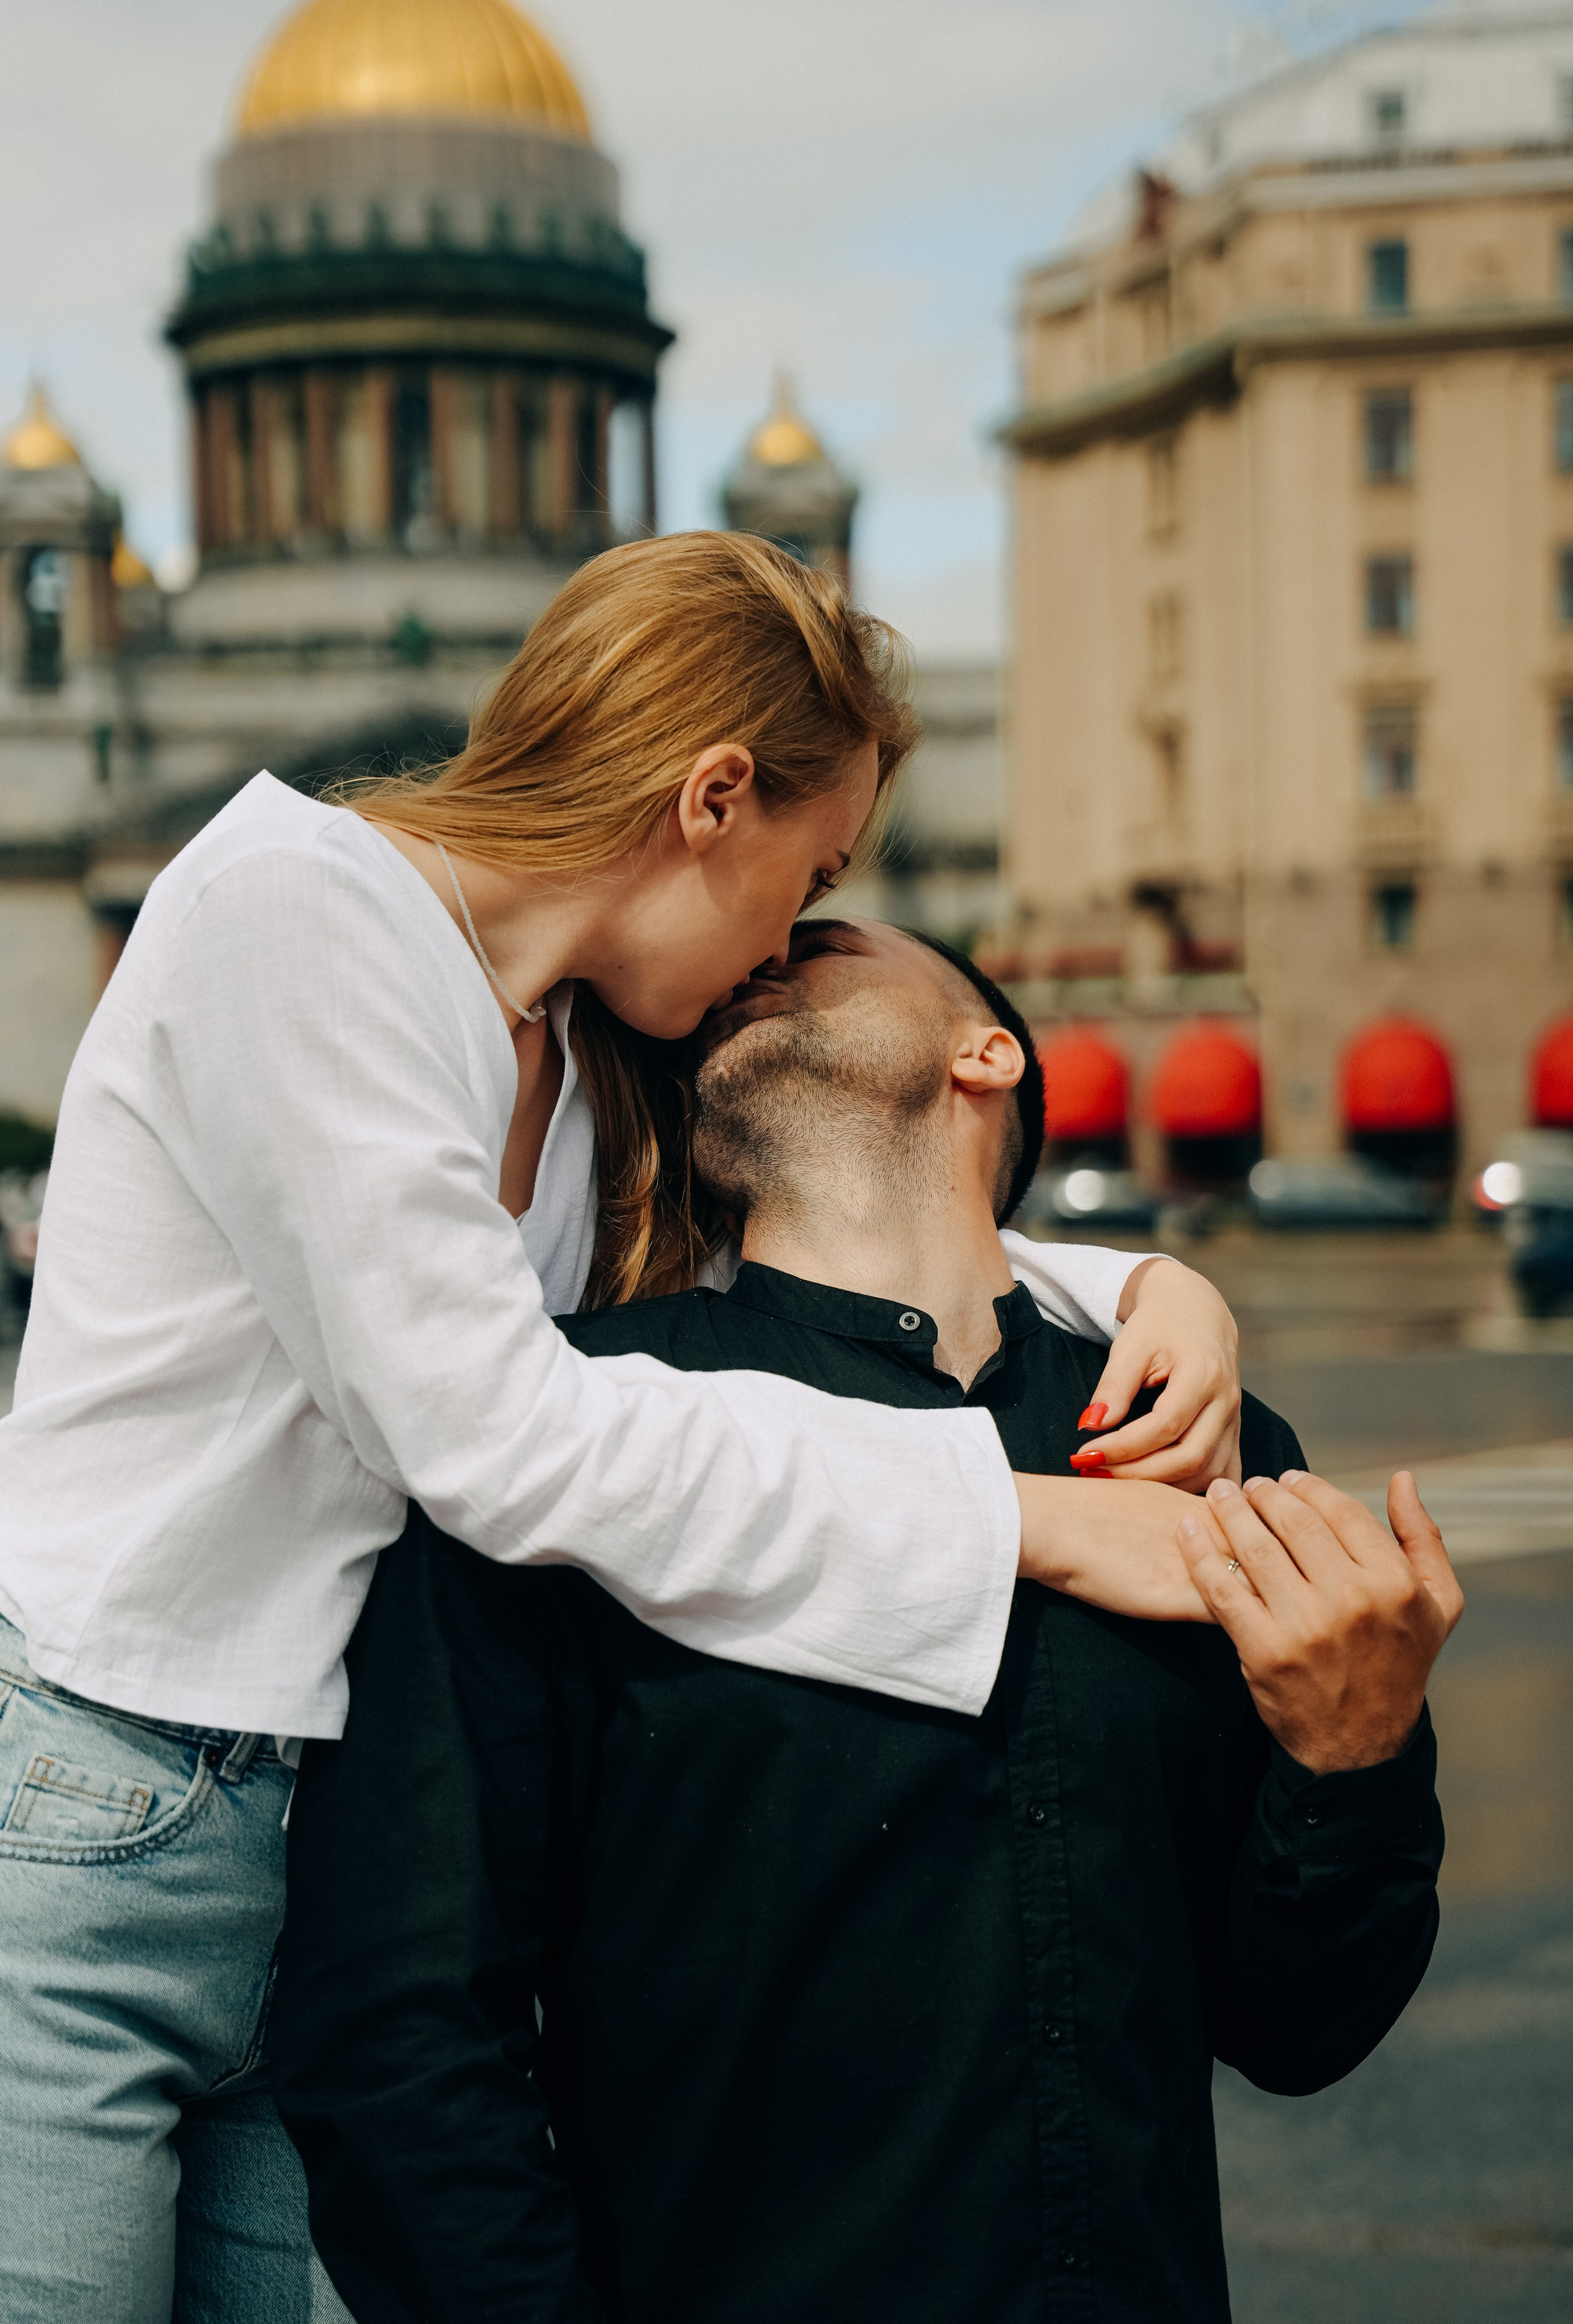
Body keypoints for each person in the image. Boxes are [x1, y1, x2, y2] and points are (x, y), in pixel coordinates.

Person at [0, 536, 1245, 2324]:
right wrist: (1020, 1515)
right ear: (713, 796)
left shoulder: (579, 1050)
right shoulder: (292, 907)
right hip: (96, 1811)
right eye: (811, 875)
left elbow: (860, 1201)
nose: (785, 948)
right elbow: (503, 1440)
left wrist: (1135, 1285)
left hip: (322, 1867)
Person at [271, 917, 1463, 2324]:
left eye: (826, 939)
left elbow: (1297, 2030)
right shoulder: (564, 1438)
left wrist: (1355, 1755)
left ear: (984, 1052)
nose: (757, 951)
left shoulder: (1202, 1446)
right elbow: (395, 2026)